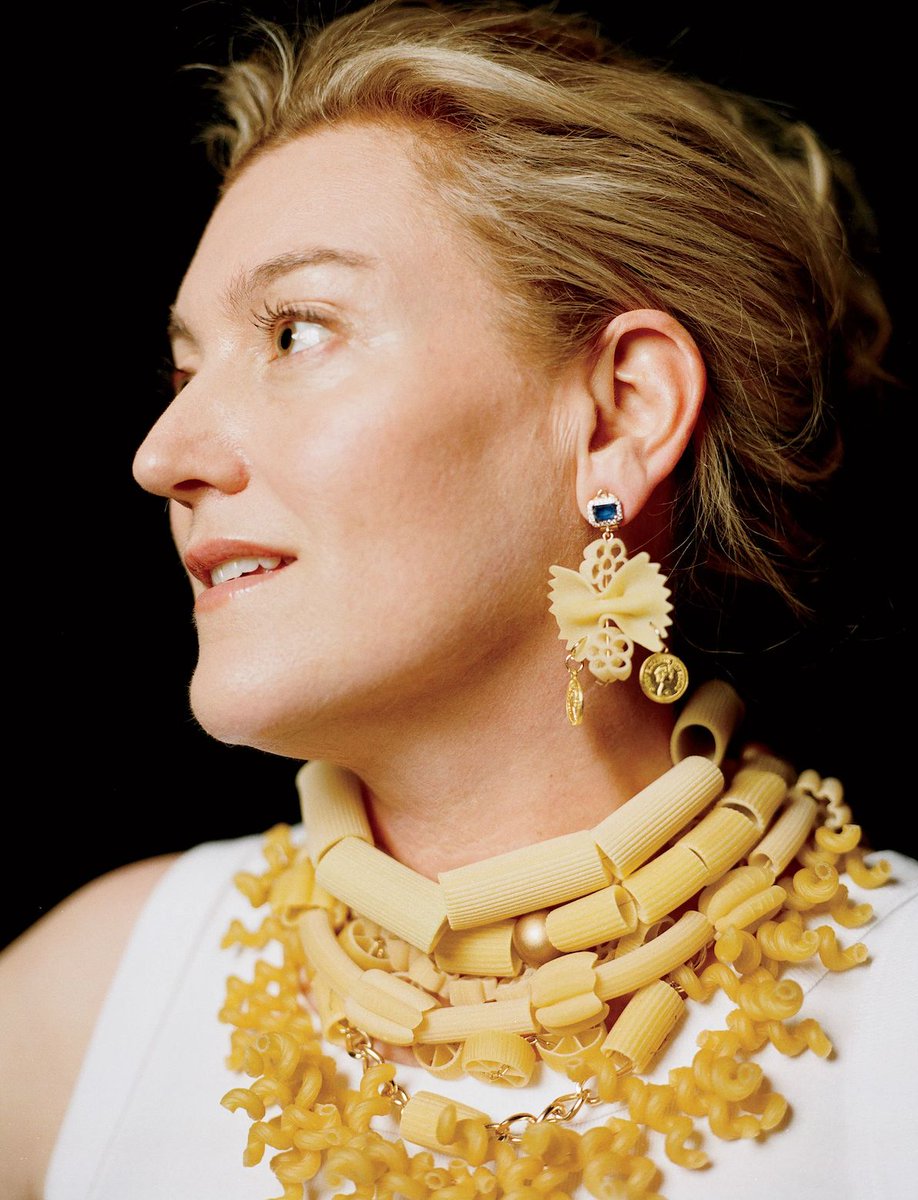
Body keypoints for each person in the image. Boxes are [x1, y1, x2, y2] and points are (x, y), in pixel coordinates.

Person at [3, 2, 915, 1197]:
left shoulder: (898, 1021)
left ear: (621, 414)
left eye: (297, 333)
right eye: (183, 371)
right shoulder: (81, 1009)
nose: (162, 454)